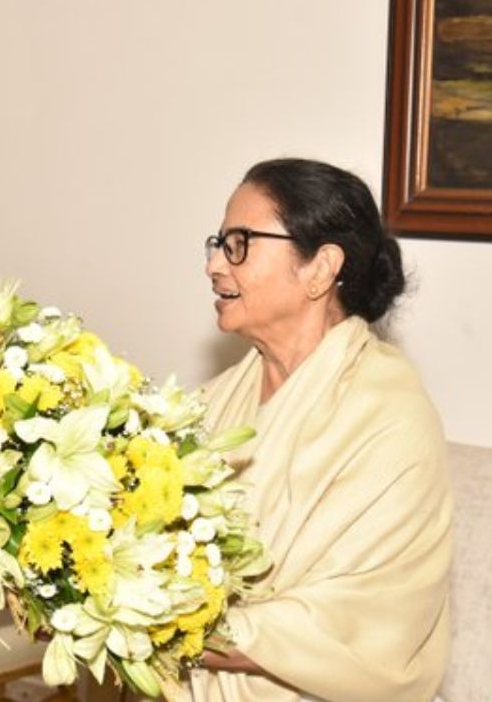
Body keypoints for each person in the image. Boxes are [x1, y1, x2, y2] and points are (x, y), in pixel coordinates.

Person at [187, 158, 452, 701]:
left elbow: (350, 628)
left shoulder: (389, 418)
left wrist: (140, 616)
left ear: (320, 267)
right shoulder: (210, 405)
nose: (215, 264)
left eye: (239, 243)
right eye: (217, 242)